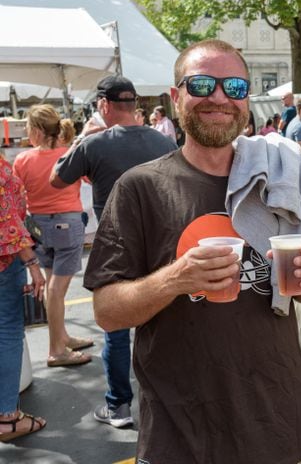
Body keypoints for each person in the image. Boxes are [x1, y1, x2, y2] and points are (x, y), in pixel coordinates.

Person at [85, 38, 301, 463]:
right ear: (176, 97)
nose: (219, 97)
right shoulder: (140, 188)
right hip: (181, 431)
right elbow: (106, 310)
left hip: (275, 421)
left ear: (246, 100)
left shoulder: (278, 179)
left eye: (233, 87)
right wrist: (176, 278)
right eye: (201, 84)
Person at [50, 75, 177, 428]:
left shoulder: (94, 144)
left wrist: (82, 140)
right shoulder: (164, 141)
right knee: (162, 323)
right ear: (134, 105)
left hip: (115, 245)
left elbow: (56, 179)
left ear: (104, 105)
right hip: (159, 241)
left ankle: (118, 404)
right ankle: (167, 404)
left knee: (116, 326)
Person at [12, 105, 93, 367]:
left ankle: (62, 338)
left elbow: (17, 196)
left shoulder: (23, 160)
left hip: (37, 226)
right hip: (66, 225)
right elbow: (91, 180)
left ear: (36, 131)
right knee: (56, 291)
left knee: (52, 287)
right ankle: (56, 349)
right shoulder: (70, 155)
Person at [0, 155, 46, 442]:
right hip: (5, 260)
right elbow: (5, 219)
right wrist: (31, 263)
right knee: (8, 331)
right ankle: (7, 417)